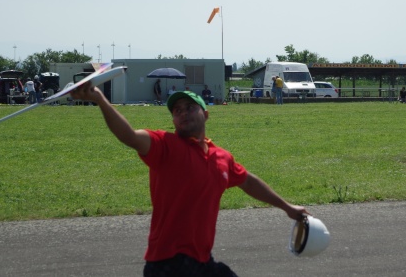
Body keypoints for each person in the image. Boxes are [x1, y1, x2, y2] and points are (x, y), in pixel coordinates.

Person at [69, 85, 307, 276]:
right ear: (173, 120)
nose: (182, 113)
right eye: (177, 110)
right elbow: (129, 136)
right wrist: (100, 99)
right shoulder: (164, 145)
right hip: (167, 263)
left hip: (203, 261)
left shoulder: (221, 157)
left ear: (205, 114)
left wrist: (287, 207)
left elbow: (247, 181)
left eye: (190, 107)